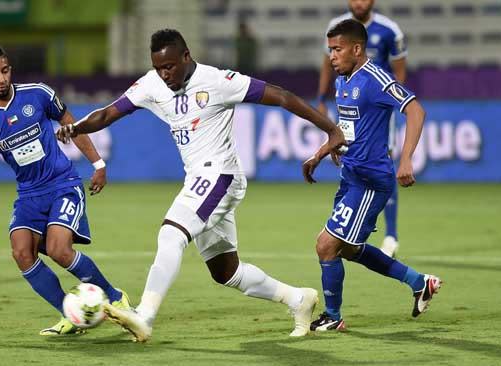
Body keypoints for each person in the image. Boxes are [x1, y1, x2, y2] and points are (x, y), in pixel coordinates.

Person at [56, 29, 345, 342]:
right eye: (158, 68)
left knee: (171, 233)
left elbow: (282, 96)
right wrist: (76, 127)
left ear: (186, 56)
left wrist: (331, 130)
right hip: (199, 178)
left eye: (170, 67)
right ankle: (298, 299)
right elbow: (109, 112)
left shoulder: (218, 81)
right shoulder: (151, 84)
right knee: (226, 272)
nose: (165, 74)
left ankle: (144, 315)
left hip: (220, 175)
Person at [0, 44, 130, 335]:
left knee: (59, 250)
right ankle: (72, 315)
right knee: (21, 252)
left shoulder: (38, 94)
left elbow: (71, 125)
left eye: (5, 70)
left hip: (63, 184)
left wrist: (98, 164)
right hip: (28, 194)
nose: (1, 78)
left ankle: (116, 297)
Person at [302, 19, 441, 331]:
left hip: (370, 180)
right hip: (351, 175)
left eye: (337, 49)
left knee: (326, 245)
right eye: (329, 50)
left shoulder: (375, 77)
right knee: (348, 249)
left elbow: (416, 110)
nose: (332, 56)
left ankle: (333, 317)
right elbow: (346, 127)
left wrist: (406, 159)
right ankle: (420, 283)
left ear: (356, 48)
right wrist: (325, 150)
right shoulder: (342, 80)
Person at [317, 0, 406, 257]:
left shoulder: (390, 30)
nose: (358, 3)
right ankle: (353, 221)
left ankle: (390, 234)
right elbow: (327, 65)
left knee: (382, 160)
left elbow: (399, 71)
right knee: (350, 157)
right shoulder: (337, 29)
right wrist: (321, 98)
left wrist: (390, 103)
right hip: (348, 102)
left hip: (376, 109)